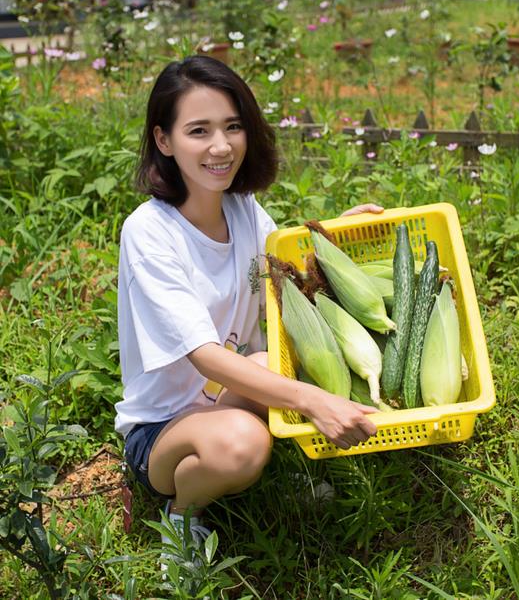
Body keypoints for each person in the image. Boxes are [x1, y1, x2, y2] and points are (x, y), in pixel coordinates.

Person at [114, 55, 384, 561]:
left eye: (232, 126)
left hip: (226, 396)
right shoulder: (150, 231)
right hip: (163, 430)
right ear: (164, 141)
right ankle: (182, 516)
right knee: (243, 444)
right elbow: (206, 356)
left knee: (288, 360)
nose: (221, 146)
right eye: (199, 130)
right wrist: (311, 401)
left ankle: (277, 478)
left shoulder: (240, 208)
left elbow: (288, 275)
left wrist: (334, 238)